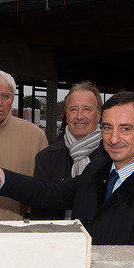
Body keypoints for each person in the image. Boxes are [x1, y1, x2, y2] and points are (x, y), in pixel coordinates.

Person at [0, 91, 134, 245]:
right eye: (107, 128)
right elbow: (49, 192)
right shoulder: (97, 170)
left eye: (125, 128)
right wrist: (0, 177)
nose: (114, 139)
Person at [0, 70, 48, 220]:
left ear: (12, 99)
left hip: (19, 232)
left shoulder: (36, 137)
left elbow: (45, 191)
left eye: (6, 96)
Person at [32, 80, 107, 219]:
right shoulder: (46, 158)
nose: (79, 116)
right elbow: (40, 208)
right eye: (73, 109)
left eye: (87, 109)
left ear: (98, 116)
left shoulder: (112, 156)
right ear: (66, 115)